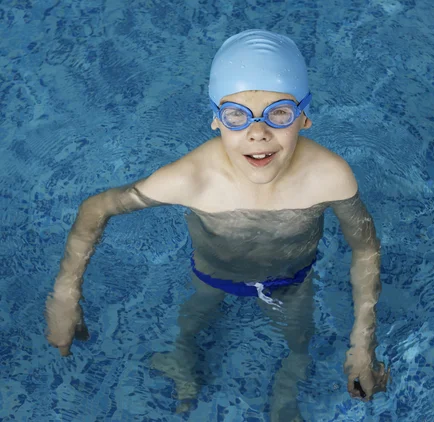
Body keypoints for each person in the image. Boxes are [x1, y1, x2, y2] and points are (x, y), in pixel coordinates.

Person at [45, 29, 389, 419]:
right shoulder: (192, 178)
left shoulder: (329, 177)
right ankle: (182, 364)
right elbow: (96, 208)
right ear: (215, 119)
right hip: (210, 275)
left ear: (304, 116)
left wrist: (362, 343)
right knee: (190, 328)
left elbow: (365, 248)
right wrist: (65, 296)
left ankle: (286, 392)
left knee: (298, 344)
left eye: (278, 112)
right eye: (236, 116)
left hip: (292, 281)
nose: (257, 132)